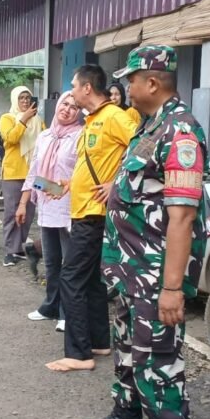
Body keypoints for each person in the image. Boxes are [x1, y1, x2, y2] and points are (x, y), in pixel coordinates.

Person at [80, 46, 207, 419]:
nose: (126, 87)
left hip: (154, 278)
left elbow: (183, 216)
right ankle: (126, 418)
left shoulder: (180, 133)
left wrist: (172, 289)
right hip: (130, 272)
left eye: (131, 80)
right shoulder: (148, 126)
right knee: (130, 353)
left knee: (159, 362)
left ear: (152, 82)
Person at [46, 65, 138, 373]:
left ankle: (78, 353)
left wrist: (117, 183)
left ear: (87, 88)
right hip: (85, 210)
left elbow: (147, 146)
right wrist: (68, 186)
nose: (70, 91)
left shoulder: (114, 117)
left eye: (73, 85)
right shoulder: (94, 121)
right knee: (93, 283)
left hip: (94, 216)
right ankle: (99, 341)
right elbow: (93, 164)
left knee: (70, 278)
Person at [17, 92, 83, 333]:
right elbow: (34, 173)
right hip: (47, 206)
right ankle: (50, 307)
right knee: (53, 262)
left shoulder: (80, 136)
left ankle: (67, 312)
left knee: (69, 264)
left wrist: (57, 189)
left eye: (74, 107)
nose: (67, 109)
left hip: (69, 208)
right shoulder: (45, 136)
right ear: (57, 105)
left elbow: (80, 175)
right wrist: (24, 203)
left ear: (79, 113)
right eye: (65, 104)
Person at [0, 86, 45, 266]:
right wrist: (24, 120)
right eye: (21, 98)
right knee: (12, 212)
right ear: (15, 100)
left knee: (29, 212)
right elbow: (10, 139)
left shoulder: (39, 121)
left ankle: (20, 247)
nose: (25, 101)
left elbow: (45, 141)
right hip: (13, 173)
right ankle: (10, 251)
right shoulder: (7, 118)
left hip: (35, 174)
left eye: (27, 98)